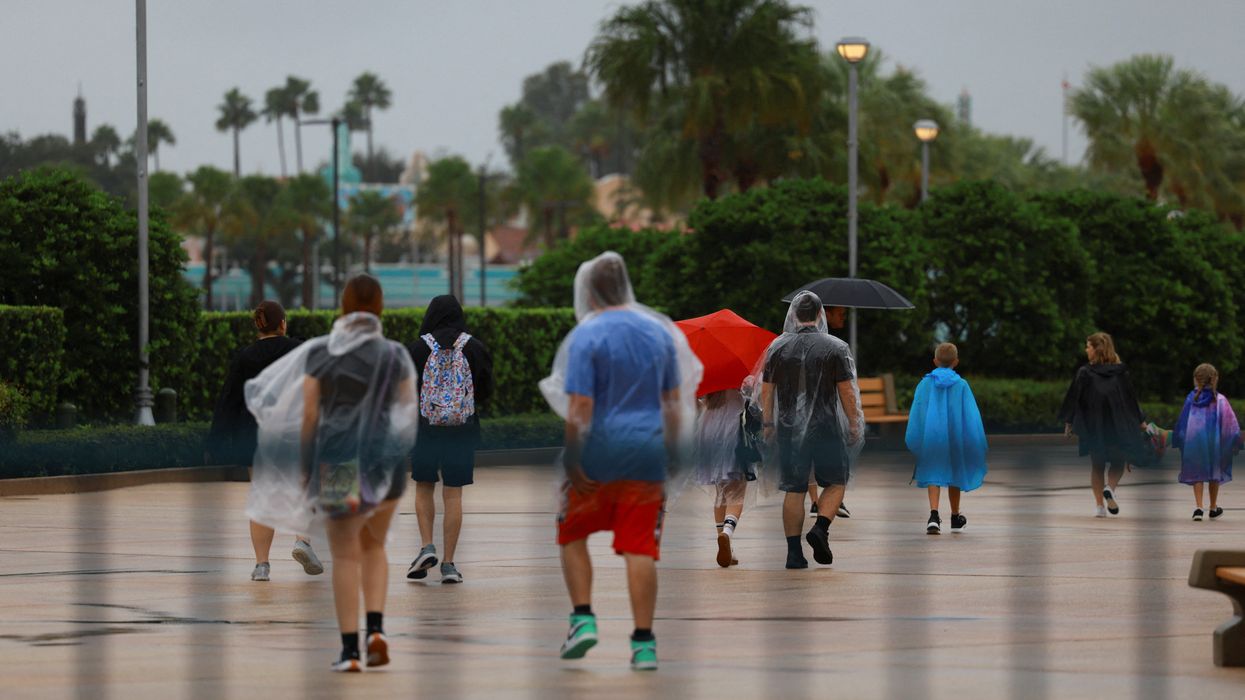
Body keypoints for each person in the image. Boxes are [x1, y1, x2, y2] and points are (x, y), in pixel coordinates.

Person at [246, 275, 419, 672]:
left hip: (339, 462)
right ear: (379, 306)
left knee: (344, 556)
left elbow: (308, 415)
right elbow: (407, 415)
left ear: (342, 306)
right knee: (375, 547)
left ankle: (350, 650)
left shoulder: (321, 354)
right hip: (383, 465)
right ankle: (376, 628)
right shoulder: (395, 355)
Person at [539, 251, 701, 671]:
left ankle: (583, 619)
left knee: (571, 533)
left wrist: (574, 459)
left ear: (590, 291)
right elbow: (672, 404)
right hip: (646, 455)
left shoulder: (587, 336)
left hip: (599, 452)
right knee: (639, 547)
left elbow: (579, 407)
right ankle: (644, 643)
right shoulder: (659, 333)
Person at [207, 299, 323, 582]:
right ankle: (302, 540)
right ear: (282, 323)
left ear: (257, 326)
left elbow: (229, 402)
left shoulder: (244, 358)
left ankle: (262, 565)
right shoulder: (299, 351)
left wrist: (216, 441)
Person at [755, 292, 864, 569]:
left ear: (793, 314)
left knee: (795, 488)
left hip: (789, 428)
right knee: (836, 481)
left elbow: (767, 391)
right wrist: (853, 423)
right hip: (826, 426)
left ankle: (793, 554)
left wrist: (768, 423)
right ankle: (820, 529)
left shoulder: (777, 348)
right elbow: (846, 392)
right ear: (819, 314)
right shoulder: (836, 347)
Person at [404, 295, 493, 584]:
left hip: (425, 428)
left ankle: (426, 546)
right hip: (462, 429)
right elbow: (486, 391)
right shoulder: (474, 347)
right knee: (453, 494)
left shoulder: (418, 348)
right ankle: (449, 564)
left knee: (423, 487)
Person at [1058, 332, 1148, 518]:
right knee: (1118, 462)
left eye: (1088, 346)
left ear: (1096, 349)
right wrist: (1141, 421)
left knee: (1097, 465)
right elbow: (1131, 399)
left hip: (1094, 425)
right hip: (1118, 425)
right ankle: (1110, 488)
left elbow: (1074, 397)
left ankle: (1099, 507)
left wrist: (1069, 421)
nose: (1086, 350)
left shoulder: (1085, 373)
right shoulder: (1121, 373)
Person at [905, 343, 988, 534]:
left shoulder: (925, 384)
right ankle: (955, 516)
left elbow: (917, 412)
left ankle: (933, 515)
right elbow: (971, 415)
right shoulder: (961, 385)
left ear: (934, 361)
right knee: (955, 473)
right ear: (956, 362)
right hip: (955, 439)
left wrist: (919, 438)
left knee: (933, 472)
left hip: (932, 438)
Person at [694, 388, 753, 568]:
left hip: (708, 428)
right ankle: (727, 533)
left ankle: (727, 544)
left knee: (721, 491)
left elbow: (694, 401)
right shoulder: (740, 374)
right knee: (736, 490)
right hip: (733, 428)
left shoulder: (708, 372)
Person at [1172, 363, 1238, 521]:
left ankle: (1198, 507)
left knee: (1197, 474)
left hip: (1194, 444)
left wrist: (1179, 439)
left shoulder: (1191, 399)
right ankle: (1213, 507)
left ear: (1195, 379)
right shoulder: (1220, 400)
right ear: (1215, 379)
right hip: (1214, 445)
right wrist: (1233, 444)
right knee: (1214, 474)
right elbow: (1231, 426)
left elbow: (1182, 423)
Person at [809, 304, 853, 520]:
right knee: (834, 471)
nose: (844, 318)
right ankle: (819, 503)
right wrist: (854, 421)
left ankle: (818, 501)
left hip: (800, 417)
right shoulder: (834, 347)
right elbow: (844, 387)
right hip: (825, 414)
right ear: (826, 314)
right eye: (841, 314)